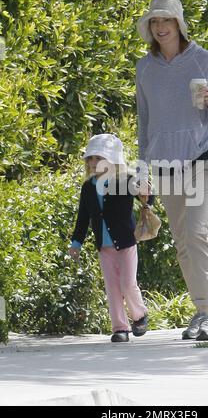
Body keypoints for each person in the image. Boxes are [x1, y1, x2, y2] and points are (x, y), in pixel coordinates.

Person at [135, 0, 208, 340]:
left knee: (195, 231)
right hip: (163, 164)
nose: (160, 28)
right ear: (149, 28)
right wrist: (141, 171)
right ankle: (199, 311)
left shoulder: (202, 59)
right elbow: (144, 123)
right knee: (181, 240)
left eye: (167, 22)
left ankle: (207, 312)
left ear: (179, 24)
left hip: (201, 158)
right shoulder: (143, 68)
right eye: (154, 23)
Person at [69, 133, 148, 342]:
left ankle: (139, 315)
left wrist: (146, 192)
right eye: (91, 159)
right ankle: (120, 328)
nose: (94, 163)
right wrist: (76, 242)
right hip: (104, 247)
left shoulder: (124, 180)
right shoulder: (88, 187)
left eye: (99, 158)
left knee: (128, 283)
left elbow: (147, 194)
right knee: (112, 287)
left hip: (126, 243)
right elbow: (83, 217)